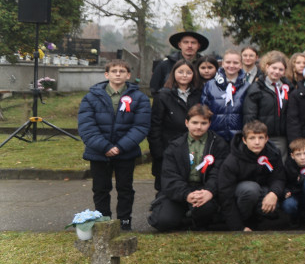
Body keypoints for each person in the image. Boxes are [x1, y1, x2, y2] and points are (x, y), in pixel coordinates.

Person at [78, 59, 151, 231]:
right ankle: (103, 222)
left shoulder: (139, 98)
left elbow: (140, 126)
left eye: (122, 71)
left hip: (126, 152)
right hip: (98, 152)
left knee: (125, 188)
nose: (118, 74)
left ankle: (125, 222)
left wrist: (120, 147)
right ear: (106, 74)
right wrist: (104, 147)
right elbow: (86, 126)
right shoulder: (90, 98)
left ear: (128, 75)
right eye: (114, 71)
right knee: (100, 188)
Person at [148, 104, 227, 232]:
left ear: (209, 124)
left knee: (205, 211)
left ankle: (196, 219)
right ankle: (187, 219)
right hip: (182, 191)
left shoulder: (219, 144)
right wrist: (187, 194)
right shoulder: (174, 146)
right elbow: (170, 176)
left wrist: (209, 191)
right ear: (186, 122)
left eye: (203, 123)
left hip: (205, 191)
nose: (199, 127)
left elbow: (219, 172)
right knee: (163, 221)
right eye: (194, 122)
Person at [217, 120, 285, 231]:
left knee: (274, 205)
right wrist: (238, 227)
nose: (257, 142)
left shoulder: (274, 153)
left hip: (263, 191)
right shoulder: (232, 160)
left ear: (267, 139)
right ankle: (244, 223)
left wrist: (274, 193)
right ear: (244, 140)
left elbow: (278, 178)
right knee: (250, 189)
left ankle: (258, 222)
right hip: (240, 194)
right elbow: (225, 195)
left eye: (261, 138)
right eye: (252, 138)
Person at [148, 59, 202, 191]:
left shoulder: (199, 95)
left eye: (188, 72)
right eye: (180, 72)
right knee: (166, 188)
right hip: (169, 147)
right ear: (173, 74)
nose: (184, 75)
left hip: (194, 148)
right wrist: (158, 152)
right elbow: (155, 125)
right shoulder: (162, 96)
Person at [242, 50, 291, 155]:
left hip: (281, 136)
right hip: (261, 136)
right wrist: (254, 135)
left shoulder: (288, 88)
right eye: (274, 68)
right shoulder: (256, 88)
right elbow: (250, 115)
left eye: (281, 69)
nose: (277, 72)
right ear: (267, 67)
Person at [201, 49, 250, 141]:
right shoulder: (210, 85)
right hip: (215, 136)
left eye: (235, 63)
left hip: (238, 137)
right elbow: (204, 111)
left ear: (241, 65)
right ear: (222, 64)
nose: (231, 65)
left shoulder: (247, 87)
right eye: (228, 62)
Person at [282, 138, 305, 230]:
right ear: (292, 156)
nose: (302, 157)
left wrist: (304, 179)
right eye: (298, 154)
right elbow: (283, 182)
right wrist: (286, 191)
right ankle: (295, 218)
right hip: (295, 194)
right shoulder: (288, 166)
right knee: (289, 205)